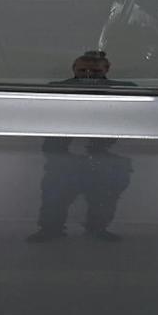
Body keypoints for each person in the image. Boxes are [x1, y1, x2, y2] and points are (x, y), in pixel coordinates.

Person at [27, 51, 134, 243]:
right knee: (55, 195)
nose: (88, 75)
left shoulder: (124, 89)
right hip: (64, 154)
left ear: (107, 69)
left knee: (105, 197)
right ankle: (50, 229)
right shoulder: (56, 89)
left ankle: (97, 229)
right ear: (73, 69)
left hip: (105, 154)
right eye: (82, 70)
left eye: (95, 71)